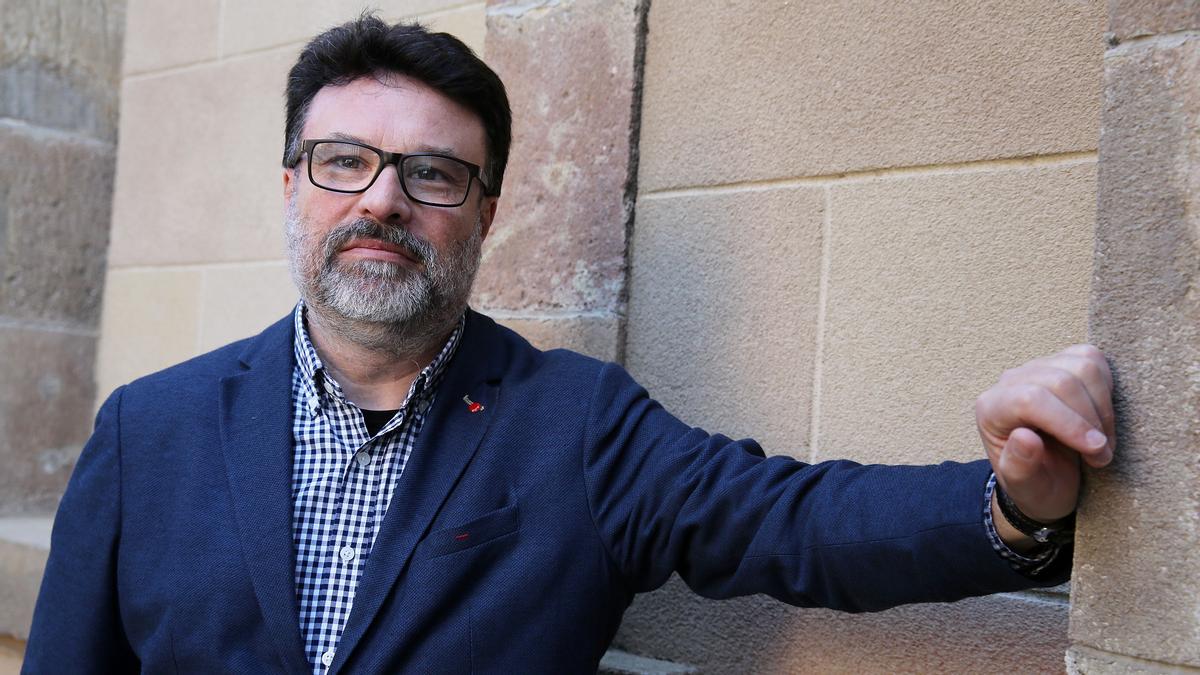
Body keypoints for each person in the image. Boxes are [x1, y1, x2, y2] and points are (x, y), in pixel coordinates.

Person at [23, 14, 1115, 675]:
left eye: (434, 174)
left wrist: (1014, 502)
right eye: (343, 161)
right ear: (292, 186)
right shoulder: (148, 430)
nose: (385, 200)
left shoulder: (579, 426)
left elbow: (799, 522)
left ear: (485, 213)